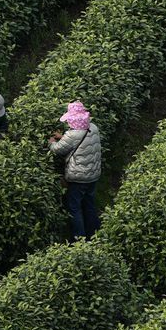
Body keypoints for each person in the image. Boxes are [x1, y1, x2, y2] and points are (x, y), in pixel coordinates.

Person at [49, 102, 102, 241]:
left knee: (74, 208)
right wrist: (64, 138)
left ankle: (79, 240)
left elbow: (57, 150)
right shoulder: (93, 128)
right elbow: (81, 143)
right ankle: (95, 235)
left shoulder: (72, 135)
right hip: (93, 175)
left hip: (78, 177)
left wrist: (51, 142)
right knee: (89, 205)